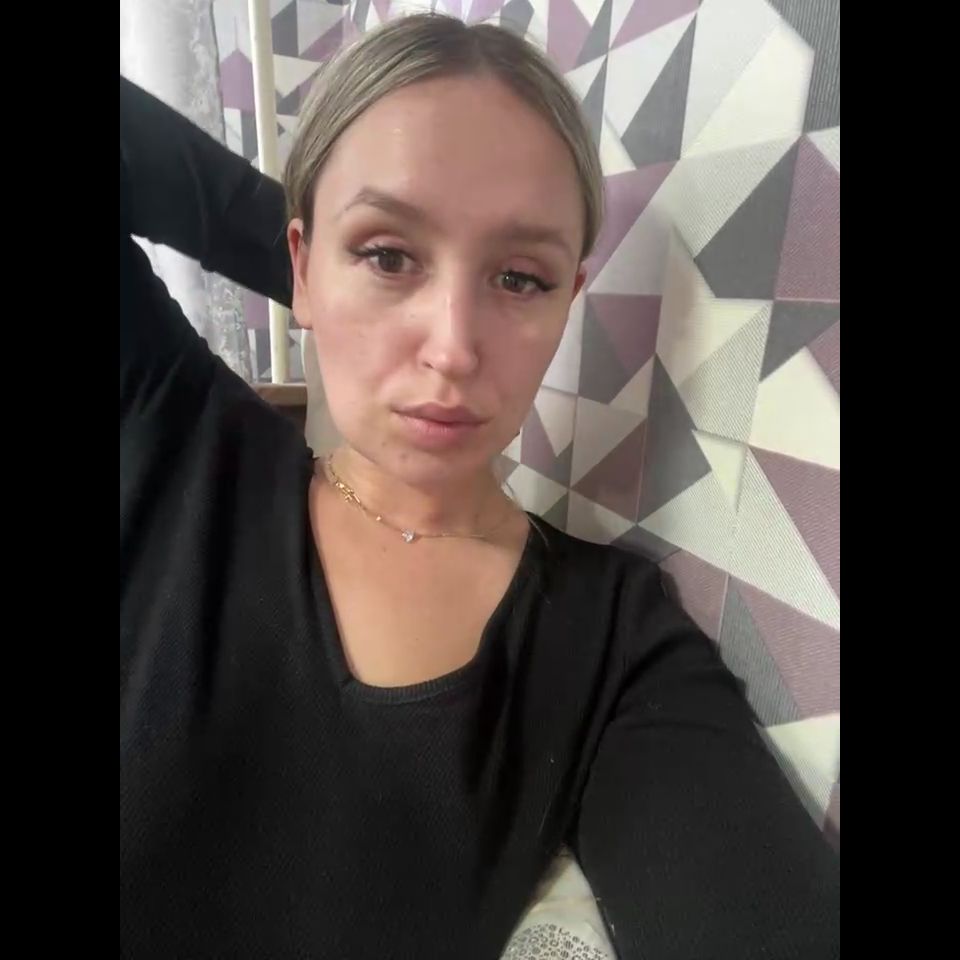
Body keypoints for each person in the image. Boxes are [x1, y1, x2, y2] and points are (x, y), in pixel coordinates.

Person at [119, 13, 839, 959]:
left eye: (519, 278)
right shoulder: (172, 436)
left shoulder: (609, 641)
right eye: (387, 255)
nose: (454, 348)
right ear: (302, 261)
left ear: (569, 300)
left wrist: (355, 252)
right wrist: (309, 263)